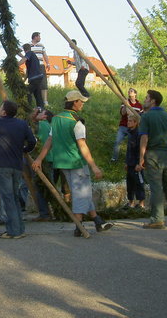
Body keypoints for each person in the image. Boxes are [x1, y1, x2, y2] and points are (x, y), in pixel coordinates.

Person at [33, 90, 113, 236]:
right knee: (80, 194)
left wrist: (39, 158)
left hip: (62, 163)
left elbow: (49, 141)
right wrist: (94, 166)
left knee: (83, 192)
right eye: (80, 101)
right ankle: (79, 226)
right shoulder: (76, 122)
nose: (82, 104)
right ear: (74, 102)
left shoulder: (56, 119)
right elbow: (82, 145)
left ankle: (97, 221)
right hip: (77, 163)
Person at [0, 100, 36, 238]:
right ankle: (19, 229)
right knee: (14, 197)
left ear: (4, 112)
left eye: (0, 107)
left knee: (8, 198)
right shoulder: (22, 124)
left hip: (2, 165)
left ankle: (13, 231)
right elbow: (32, 141)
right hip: (17, 164)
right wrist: (24, 149)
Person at [137, 90, 167, 229]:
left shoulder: (146, 117)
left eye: (147, 98)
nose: (145, 99)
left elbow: (144, 138)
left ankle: (157, 219)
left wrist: (141, 157)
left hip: (153, 155)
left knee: (156, 187)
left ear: (152, 101)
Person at [111, 88, 143, 162]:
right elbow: (123, 113)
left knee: (131, 144)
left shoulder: (139, 105)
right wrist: (126, 105)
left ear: (135, 94)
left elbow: (140, 117)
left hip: (133, 128)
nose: (129, 92)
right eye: (129, 91)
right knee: (117, 141)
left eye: (131, 91)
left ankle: (130, 160)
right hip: (123, 126)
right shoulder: (124, 102)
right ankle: (114, 158)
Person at [125, 114, 145, 209]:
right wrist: (126, 162)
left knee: (139, 183)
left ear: (135, 122)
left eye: (130, 121)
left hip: (136, 163)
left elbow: (139, 149)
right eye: (128, 120)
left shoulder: (138, 134)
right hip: (130, 162)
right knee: (130, 183)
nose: (128, 122)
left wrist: (139, 162)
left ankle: (141, 203)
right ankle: (131, 202)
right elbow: (129, 149)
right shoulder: (130, 133)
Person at [27, 32, 51, 106]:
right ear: (35, 37)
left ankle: (45, 101)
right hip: (32, 67)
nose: (40, 38)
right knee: (33, 83)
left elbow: (45, 55)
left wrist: (48, 63)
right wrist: (25, 58)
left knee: (43, 83)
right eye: (39, 36)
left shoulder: (41, 45)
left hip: (41, 65)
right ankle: (32, 99)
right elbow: (18, 51)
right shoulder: (28, 45)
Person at [18, 43, 44, 108]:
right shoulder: (32, 56)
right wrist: (24, 80)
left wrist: (15, 65)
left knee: (27, 91)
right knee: (37, 94)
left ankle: (28, 107)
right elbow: (27, 71)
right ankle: (40, 108)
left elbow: (23, 60)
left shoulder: (29, 53)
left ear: (24, 50)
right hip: (38, 77)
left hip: (35, 78)